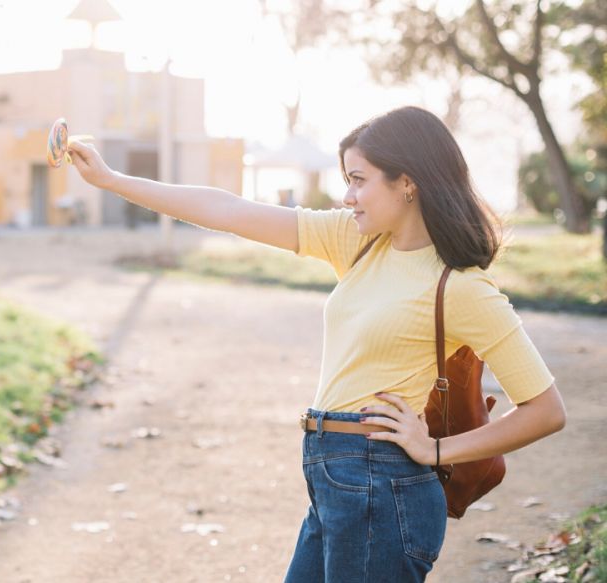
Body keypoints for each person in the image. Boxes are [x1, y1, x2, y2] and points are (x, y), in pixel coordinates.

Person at [67, 106, 566, 582]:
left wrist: (436, 449)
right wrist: (111, 180)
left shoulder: (461, 287)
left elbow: (545, 410)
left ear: (408, 182)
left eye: (358, 180)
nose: (348, 196)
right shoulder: (360, 242)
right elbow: (228, 210)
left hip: (382, 487)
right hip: (334, 479)